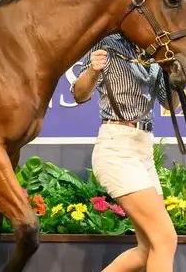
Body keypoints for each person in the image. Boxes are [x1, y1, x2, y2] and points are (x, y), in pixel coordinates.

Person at [71, 32, 179, 272]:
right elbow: (79, 94)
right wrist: (93, 71)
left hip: (144, 149)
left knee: (148, 249)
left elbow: (171, 104)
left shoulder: (154, 53)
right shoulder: (107, 44)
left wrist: (175, 75)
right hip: (117, 147)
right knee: (165, 239)